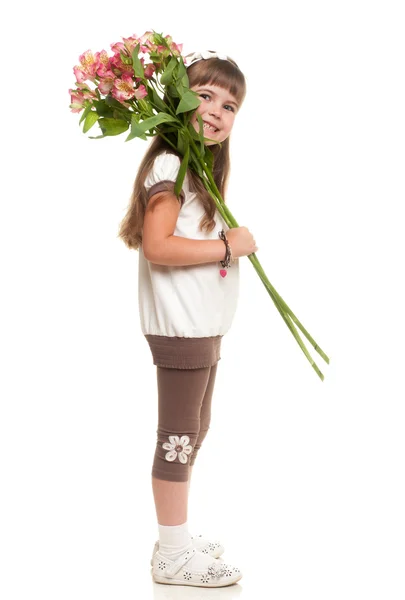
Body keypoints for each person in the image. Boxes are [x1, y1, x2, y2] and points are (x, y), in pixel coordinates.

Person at [118, 49, 258, 588]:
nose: (218, 112)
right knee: (177, 438)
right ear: (177, 100)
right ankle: (172, 555)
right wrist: (228, 244)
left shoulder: (196, 167)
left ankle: (174, 536)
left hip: (202, 326)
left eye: (230, 105)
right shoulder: (171, 165)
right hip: (181, 326)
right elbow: (158, 245)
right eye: (205, 96)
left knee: (194, 429)